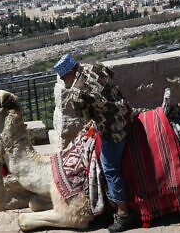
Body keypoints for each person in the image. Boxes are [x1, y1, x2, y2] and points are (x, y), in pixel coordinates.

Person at [53, 54, 135, 232]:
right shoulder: (96, 66)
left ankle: (123, 212)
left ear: (69, 72)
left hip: (114, 129)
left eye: (63, 77)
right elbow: (111, 76)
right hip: (127, 113)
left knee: (109, 166)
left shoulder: (76, 91)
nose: (63, 81)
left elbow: (86, 120)